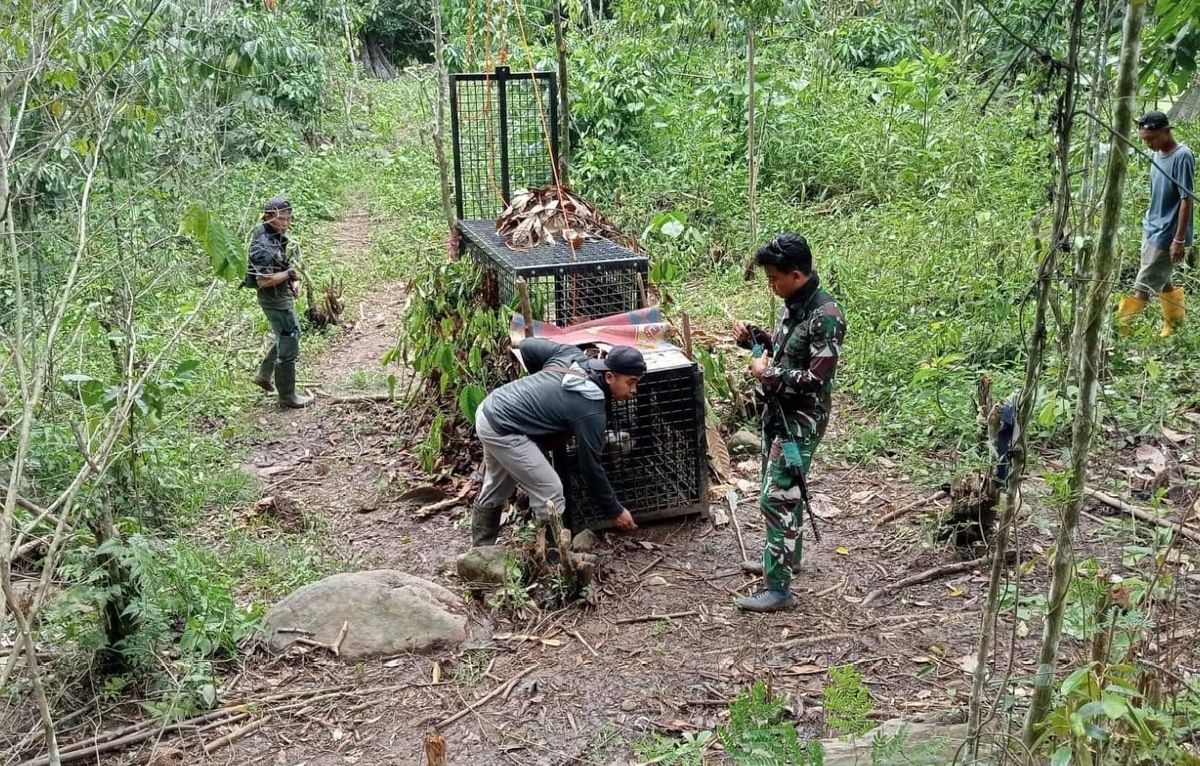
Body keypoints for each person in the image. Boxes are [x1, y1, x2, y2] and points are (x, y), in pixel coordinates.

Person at [732, 233, 846, 612]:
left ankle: (778, 588)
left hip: (801, 420)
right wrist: (756, 340)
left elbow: (815, 377)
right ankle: (783, 557)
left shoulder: (826, 316)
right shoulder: (793, 304)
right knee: (787, 491)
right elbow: (788, 351)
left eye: (774, 278)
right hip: (778, 414)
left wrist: (768, 373)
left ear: (796, 274)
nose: (771, 285)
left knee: (776, 496)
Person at [470, 339, 643, 547]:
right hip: (504, 428)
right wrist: (614, 510)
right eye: (631, 382)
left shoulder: (571, 354)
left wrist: (540, 385)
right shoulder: (591, 408)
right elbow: (590, 466)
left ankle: (481, 551)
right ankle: (552, 561)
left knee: (498, 485)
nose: (634, 390)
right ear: (608, 377)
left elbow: (527, 346)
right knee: (551, 493)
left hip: (490, 408)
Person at [1117, 110, 1193, 338]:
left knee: (1143, 285)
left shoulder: (1182, 156)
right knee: (1160, 279)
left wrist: (1179, 239)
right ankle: (1175, 326)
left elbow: (1186, 198)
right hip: (1152, 227)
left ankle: (1120, 333)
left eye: (1151, 139)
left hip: (1167, 233)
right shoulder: (1158, 153)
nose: (1148, 144)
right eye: (1144, 140)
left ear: (1166, 131)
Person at [248, 196, 312, 408]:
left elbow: (281, 266)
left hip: (281, 293)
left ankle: (264, 374)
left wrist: (292, 279)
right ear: (268, 217)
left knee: (288, 334)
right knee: (289, 339)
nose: (286, 224)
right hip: (274, 298)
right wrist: (290, 274)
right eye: (281, 219)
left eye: (288, 219)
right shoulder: (263, 245)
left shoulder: (271, 233)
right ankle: (287, 396)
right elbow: (264, 281)